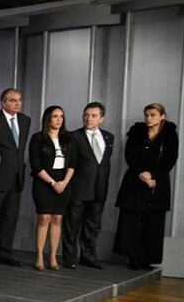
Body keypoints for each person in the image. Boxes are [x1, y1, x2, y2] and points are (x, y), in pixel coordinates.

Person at [114, 103, 179, 270]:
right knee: (133, 221)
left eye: (153, 115)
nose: (149, 118)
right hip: (135, 180)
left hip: (158, 182)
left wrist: (153, 175)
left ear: (162, 116)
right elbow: (129, 155)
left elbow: (170, 158)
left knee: (153, 222)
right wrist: (141, 173)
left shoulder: (170, 135)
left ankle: (147, 259)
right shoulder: (136, 132)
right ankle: (133, 258)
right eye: (147, 115)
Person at [0, 88, 31, 267]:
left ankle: (5, 253)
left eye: (19, 100)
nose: (17, 103)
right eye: (12, 100)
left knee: (10, 218)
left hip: (17, 177)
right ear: (3, 103)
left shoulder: (25, 121)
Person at [62, 102, 114, 269]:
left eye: (93, 115)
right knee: (72, 225)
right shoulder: (73, 136)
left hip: (99, 188)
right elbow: (70, 162)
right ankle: (70, 258)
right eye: (86, 115)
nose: (88, 118)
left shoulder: (108, 137)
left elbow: (104, 164)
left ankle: (88, 256)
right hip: (78, 188)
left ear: (102, 119)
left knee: (93, 225)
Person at [29, 106, 77, 271]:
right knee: (44, 219)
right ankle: (40, 255)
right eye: (55, 116)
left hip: (64, 183)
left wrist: (63, 183)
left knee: (57, 219)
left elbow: (73, 164)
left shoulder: (68, 139)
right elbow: (36, 165)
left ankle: (53, 256)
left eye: (61, 116)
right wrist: (52, 183)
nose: (59, 119)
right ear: (48, 119)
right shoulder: (37, 138)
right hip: (44, 183)